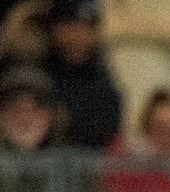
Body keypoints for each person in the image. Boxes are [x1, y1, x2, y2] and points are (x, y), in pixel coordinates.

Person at [41, 0, 118, 149]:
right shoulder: (36, 74)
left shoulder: (103, 82)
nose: (75, 36)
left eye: (83, 28)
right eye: (68, 27)